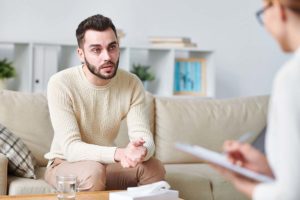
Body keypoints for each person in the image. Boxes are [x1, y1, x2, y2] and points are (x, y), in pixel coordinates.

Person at [44, 14, 165, 191]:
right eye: (96, 50)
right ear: (81, 54)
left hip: (104, 165)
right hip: (65, 163)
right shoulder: (61, 83)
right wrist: (119, 153)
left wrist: (142, 150)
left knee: (154, 168)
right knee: (93, 172)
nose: (107, 56)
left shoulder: (131, 83)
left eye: (112, 47)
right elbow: (71, 148)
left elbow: (143, 135)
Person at [212, 0, 300, 199]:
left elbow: (290, 194)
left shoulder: (291, 78)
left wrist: (245, 186)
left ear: (278, 9)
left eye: (263, 12)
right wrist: (267, 167)